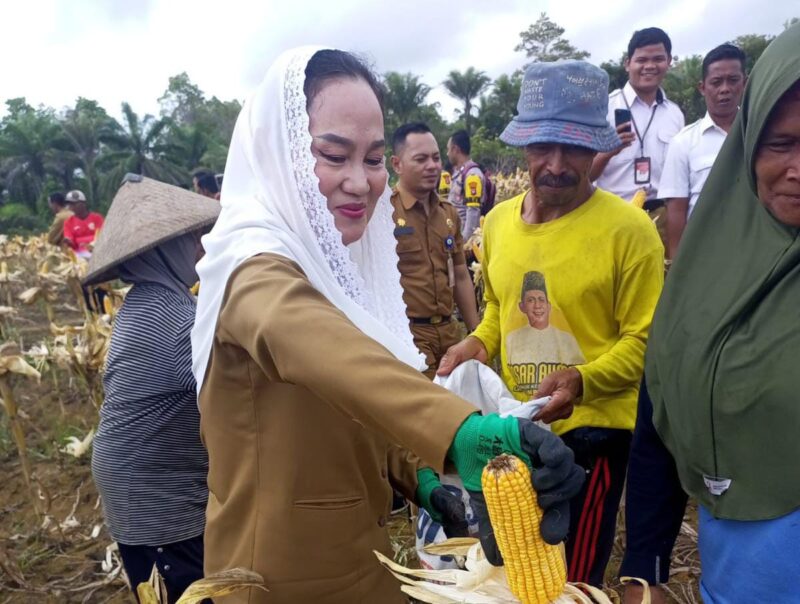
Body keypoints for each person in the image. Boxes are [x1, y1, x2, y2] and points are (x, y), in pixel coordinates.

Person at [190, 48, 584, 604]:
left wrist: (419, 474)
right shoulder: (249, 268)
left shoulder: (339, 269)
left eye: (373, 159)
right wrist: (461, 432)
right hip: (277, 580)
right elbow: (314, 343)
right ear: (281, 157)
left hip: (366, 568)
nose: (360, 181)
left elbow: (351, 403)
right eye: (333, 155)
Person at [438, 60, 664, 587]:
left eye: (575, 149)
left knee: (572, 579)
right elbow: (499, 308)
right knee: (517, 573)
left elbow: (646, 341)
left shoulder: (628, 231)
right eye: (543, 148)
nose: (557, 164)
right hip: (517, 433)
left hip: (594, 430)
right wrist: (475, 342)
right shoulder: (496, 225)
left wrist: (582, 380)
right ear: (523, 146)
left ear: (597, 148)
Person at [643, 23, 800, 603]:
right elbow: (660, 410)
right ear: (748, 146)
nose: (798, 169)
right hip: (747, 575)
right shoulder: (705, 276)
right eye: (780, 144)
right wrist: (646, 567)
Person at [84, 175, 220, 603]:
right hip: (153, 491)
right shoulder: (171, 318)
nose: (199, 246)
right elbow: (231, 395)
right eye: (189, 239)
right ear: (162, 251)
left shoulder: (152, 299)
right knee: (183, 590)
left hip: (139, 475)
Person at [390, 122, 480, 378]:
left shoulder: (448, 213)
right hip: (410, 337)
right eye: (420, 159)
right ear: (397, 164)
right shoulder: (385, 213)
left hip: (449, 332)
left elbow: (460, 274)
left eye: (435, 157)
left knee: (461, 405)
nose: (432, 166)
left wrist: (475, 334)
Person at [660, 44, 747, 260]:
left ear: (745, 83)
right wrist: (677, 266)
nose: (725, 89)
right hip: (706, 253)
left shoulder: (762, 132)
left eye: (733, 80)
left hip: (756, 248)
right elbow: (677, 211)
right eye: (716, 82)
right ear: (702, 87)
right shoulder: (683, 142)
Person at [591, 28, 685, 221]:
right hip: (612, 215)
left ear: (669, 62)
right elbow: (585, 176)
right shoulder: (603, 109)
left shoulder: (675, 114)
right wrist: (609, 151)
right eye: (641, 60)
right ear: (628, 64)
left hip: (661, 215)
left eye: (658, 59)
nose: (649, 66)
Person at [505, 271, 585, 390]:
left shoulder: (567, 340)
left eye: (541, 299)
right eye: (531, 300)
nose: (537, 305)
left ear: (548, 305)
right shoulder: (512, 339)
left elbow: (580, 378)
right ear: (522, 307)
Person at [447, 129, 484, 240]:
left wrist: (465, 242)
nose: (447, 153)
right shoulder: (460, 173)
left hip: (464, 240)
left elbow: (473, 212)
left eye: (448, 149)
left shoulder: (472, 175)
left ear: (455, 149)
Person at [62, 190, 104, 259]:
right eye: (70, 204)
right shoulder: (68, 222)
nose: (72, 207)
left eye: (74, 203)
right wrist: (68, 242)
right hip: (80, 257)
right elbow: (71, 241)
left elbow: (102, 235)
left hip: (99, 252)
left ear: (84, 203)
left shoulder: (97, 218)